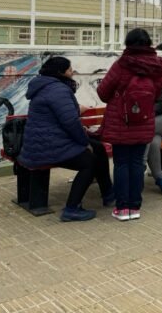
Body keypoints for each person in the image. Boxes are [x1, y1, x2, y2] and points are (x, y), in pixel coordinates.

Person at [19, 56, 114, 222]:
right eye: (70, 70)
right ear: (61, 72)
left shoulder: (46, 85)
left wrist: (77, 111)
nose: (73, 73)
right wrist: (84, 143)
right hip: (47, 146)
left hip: (45, 141)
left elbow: (61, 113)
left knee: (98, 148)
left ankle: (109, 194)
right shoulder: (58, 90)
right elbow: (70, 122)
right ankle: (72, 208)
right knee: (89, 161)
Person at [97, 28, 162, 221]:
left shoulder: (121, 64)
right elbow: (158, 93)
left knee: (121, 164)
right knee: (137, 163)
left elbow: (103, 93)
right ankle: (135, 207)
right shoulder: (156, 66)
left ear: (128, 44)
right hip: (143, 121)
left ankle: (122, 209)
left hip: (121, 121)